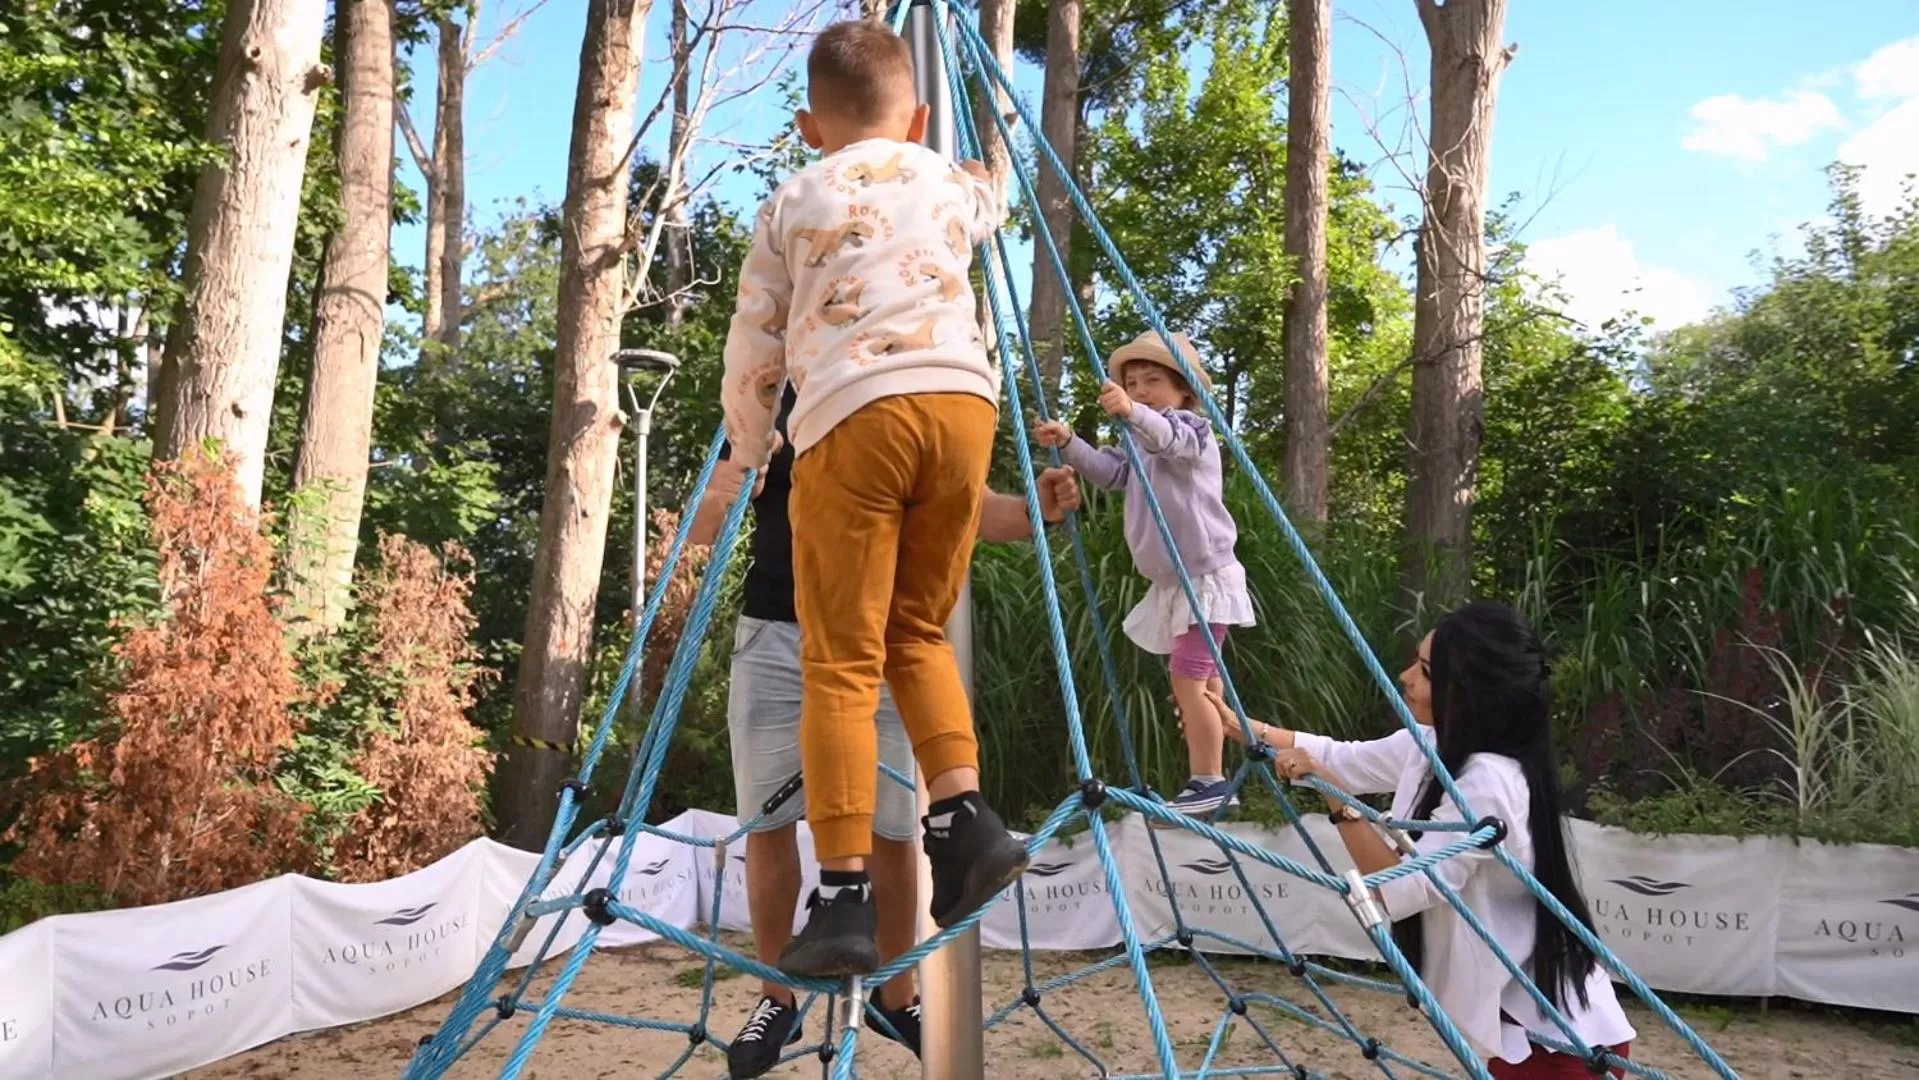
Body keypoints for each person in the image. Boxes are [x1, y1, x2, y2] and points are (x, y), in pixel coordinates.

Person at [718, 21, 1031, 984]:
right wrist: (989, 147)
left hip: (854, 415)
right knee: (916, 632)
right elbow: (997, 197)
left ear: (811, 125)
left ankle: (845, 893)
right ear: (920, 117)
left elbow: (755, 344)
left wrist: (752, 440)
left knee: (841, 657)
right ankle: (965, 813)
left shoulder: (791, 198)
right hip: (963, 410)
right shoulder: (945, 181)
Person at [689, 385, 1082, 1078]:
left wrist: (1034, 512)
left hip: (882, 642)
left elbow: (968, 508)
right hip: (777, 635)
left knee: (896, 828)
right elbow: (702, 524)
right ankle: (777, 996)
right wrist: (735, 482)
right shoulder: (771, 398)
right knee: (768, 824)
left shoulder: (899, 387)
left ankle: (895, 995)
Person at [1200, 602, 1635, 1078]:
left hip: (1557, 1043)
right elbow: (1339, 757)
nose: (1405, 676)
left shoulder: (1489, 779)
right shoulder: (1435, 744)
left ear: (1469, 693)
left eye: (1426, 672)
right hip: (1516, 1027)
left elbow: (1397, 888)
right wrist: (1236, 725)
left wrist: (1339, 802)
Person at [1032, 330, 1253, 821]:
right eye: (1132, 383)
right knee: (1204, 684)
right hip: (1175, 583)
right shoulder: (1138, 443)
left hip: (1206, 577)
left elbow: (1170, 439)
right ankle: (1211, 777)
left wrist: (1132, 413)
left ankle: (1210, 779)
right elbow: (1109, 473)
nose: (1140, 390)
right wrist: (1069, 442)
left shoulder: (1192, 429)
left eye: (1153, 380)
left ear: (1184, 392)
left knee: (1187, 680)